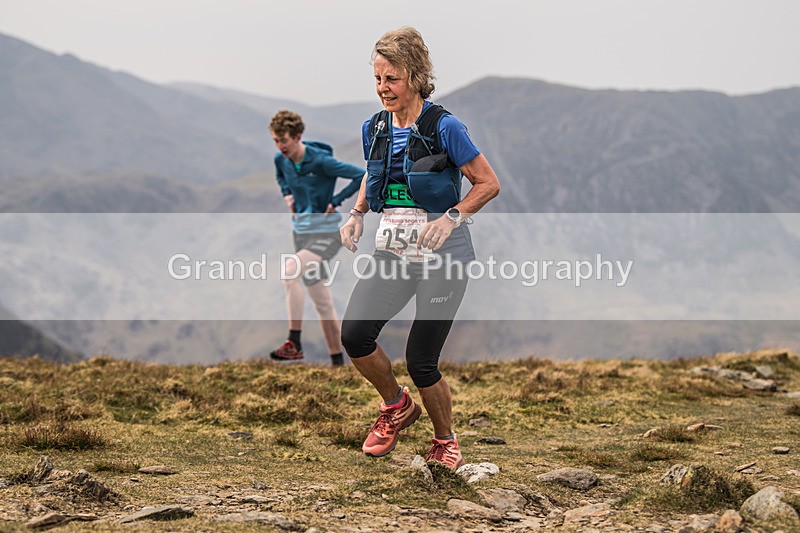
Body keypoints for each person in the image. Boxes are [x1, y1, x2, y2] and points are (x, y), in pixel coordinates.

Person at [339, 27, 500, 468]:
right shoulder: (374, 128)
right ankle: (396, 405)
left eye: (391, 78)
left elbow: (488, 184)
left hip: (444, 258)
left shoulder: (444, 127)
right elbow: (375, 180)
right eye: (377, 79)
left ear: (415, 74)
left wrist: (452, 218)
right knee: (354, 335)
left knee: (421, 359)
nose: (383, 88)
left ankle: (446, 440)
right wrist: (355, 214)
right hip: (393, 252)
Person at [268, 110, 365, 366]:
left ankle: (294, 342)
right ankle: (337, 363)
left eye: (284, 141)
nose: (280, 147)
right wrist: (288, 197)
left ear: (298, 136)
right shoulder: (281, 160)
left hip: (327, 233)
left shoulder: (321, 162)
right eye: (276, 141)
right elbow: (281, 177)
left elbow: (361, 175)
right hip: (301, 234)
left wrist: (335, 200)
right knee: (321, 300)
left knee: (290, 272)